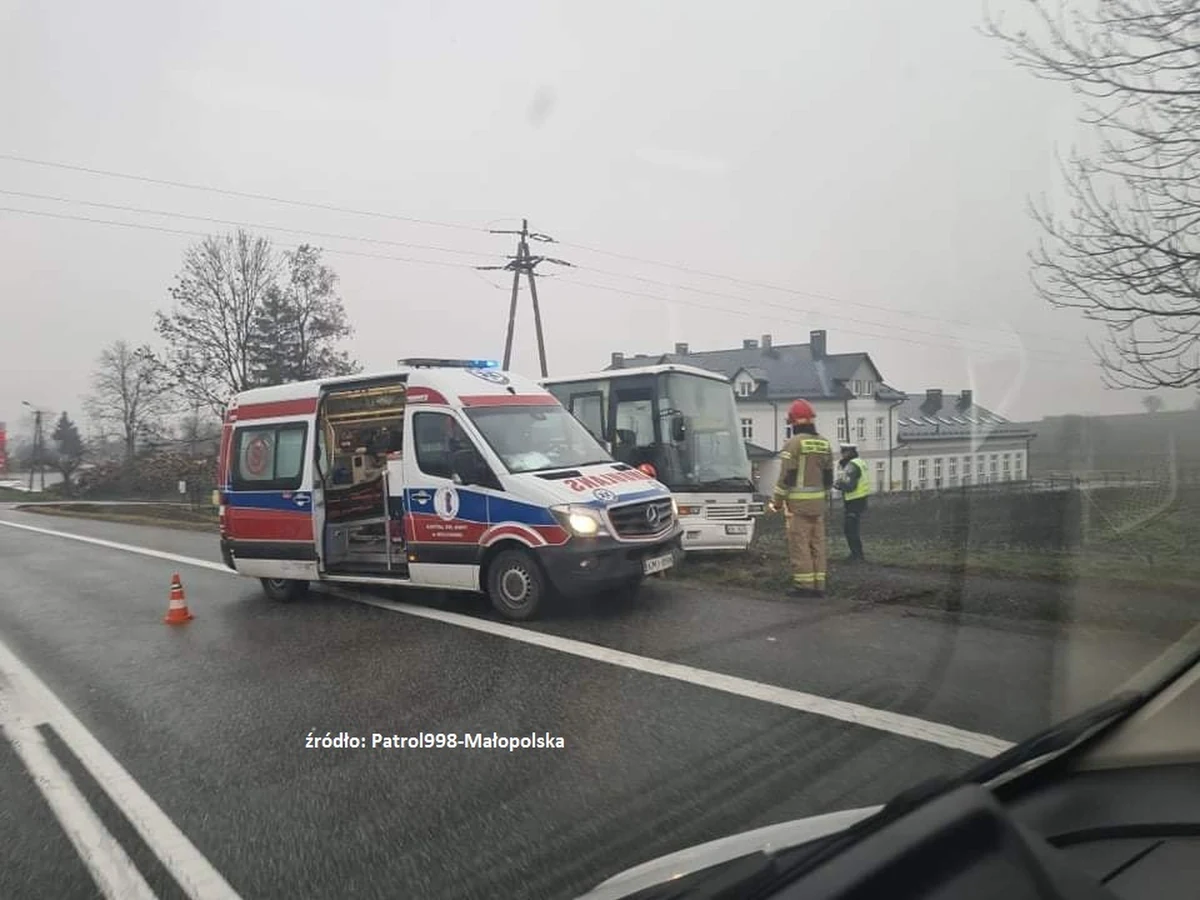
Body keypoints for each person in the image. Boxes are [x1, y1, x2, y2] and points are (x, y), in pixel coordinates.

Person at [769, 399, 834, 597]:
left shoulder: (793, 443)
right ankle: (819, 585)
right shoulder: (824, 443)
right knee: (818, 545)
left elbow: (786, 476)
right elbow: (829, 477)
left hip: (799, 507)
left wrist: (777, 502)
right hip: (819, 505)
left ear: (794, 422)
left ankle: (804, 587)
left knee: (800, 545)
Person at [834, 443, 870, 562]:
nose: (842, 455)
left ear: (848, 452)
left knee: (850, 529)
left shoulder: (852, 466)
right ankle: (857, 555)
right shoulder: (860, 462)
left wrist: (838, 484)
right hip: (861, 499)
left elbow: (850, 486)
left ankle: (856, 555)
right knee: (853, 528)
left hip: (854, 501)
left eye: (843, 452)